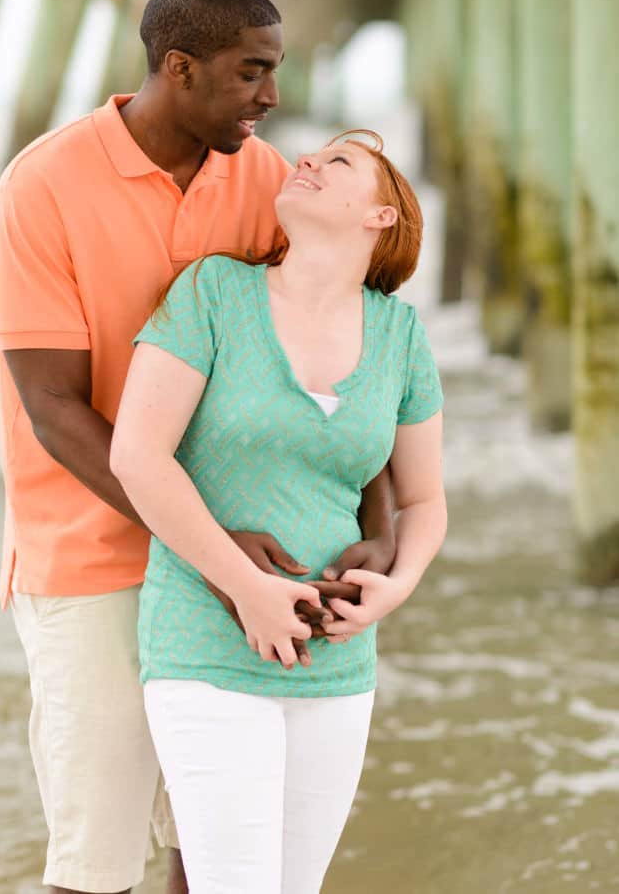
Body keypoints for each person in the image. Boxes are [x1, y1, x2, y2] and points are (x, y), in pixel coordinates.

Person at [0, 0, 397, 894]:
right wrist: (214, 546)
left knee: (210, 852)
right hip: (91, 555)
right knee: (95, 864)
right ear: (180, 66)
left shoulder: (264, 186)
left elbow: (339, 358)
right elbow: (53, 404)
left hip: (247, 561)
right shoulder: (42, 184)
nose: (274, 96)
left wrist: (380, 521)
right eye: (252, 71)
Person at [109, 130, 447, 893]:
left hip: (337, 664)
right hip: (204, 644)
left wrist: (398, 586)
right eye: (311, 155)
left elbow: (425, 500)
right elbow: (137, 455)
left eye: (339, 163)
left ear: (381, 219)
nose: (307, 161)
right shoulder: (213, 293)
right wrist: (244, 586)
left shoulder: (400, 336)